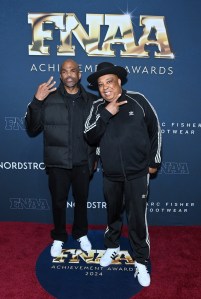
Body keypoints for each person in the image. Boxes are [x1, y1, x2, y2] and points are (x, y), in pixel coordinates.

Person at [84, 62, 162, 287]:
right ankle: (112, 247)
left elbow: (155, 129)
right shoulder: (98, 107)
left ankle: (140, 260)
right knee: (113, 214)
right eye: (100, 84)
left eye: (109, 81)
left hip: (138, 173)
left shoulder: (138, 100)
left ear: (119, 82)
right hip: (111, 174)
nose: (105, 87)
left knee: (137, 218)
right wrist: (107, 114)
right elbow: (89, 135)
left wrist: (154, 161)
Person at [25, 59, 98, 257]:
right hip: (58, 162)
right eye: (64, 71)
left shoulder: (92, 100)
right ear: (60, 75)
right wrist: (37, 101)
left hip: (83, 162)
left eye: (73, 70)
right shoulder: (48, 99)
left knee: (81, 201)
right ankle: (59, 236)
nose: (69, 74)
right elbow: (32, 128)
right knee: (58, 201)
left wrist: (95, 157)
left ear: (79, 74)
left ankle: (81, 233)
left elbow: (100, 133)